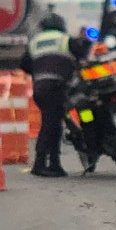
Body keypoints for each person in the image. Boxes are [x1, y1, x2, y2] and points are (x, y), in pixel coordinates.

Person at [20, 13, 89, 177]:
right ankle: (40, 164)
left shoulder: (35, 42)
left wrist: (39, 70)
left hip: (40, 88)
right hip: (57, 86)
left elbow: (24, 65)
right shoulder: (64, 39)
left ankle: (54, 164)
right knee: (50, 125)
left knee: (54, 124)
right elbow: (82, 54)